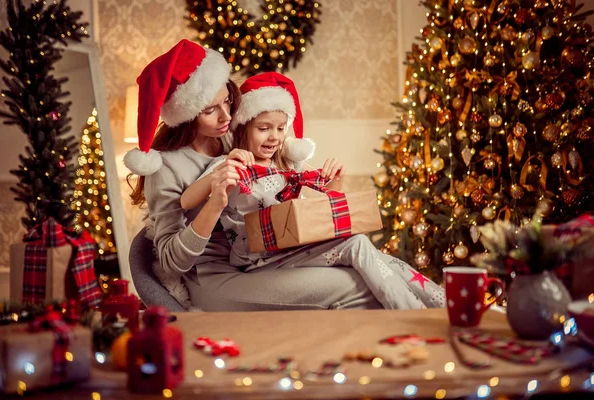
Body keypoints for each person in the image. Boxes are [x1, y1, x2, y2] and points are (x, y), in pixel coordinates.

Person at [124, 39, 384, 311]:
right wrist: (214, 204)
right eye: (210, 110)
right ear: (187, 113)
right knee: (355, 286)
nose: (226, 115)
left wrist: (329, 188)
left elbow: (282, 201)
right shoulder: (165, 167)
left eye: (227, 100)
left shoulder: (234, 137)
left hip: (263, 262)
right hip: (213, 279)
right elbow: (169, 262)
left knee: (365, 272)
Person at [180, 72, 446, 309]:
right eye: (263, 129)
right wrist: (220, 176)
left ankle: (439, 303)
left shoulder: (285, 164)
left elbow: (326, 202)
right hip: (256, 259)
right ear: (244, 127)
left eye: (281, 129)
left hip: (289, 249)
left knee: (376, 255)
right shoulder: (232, 163)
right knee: (357, 246)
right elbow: (186, 200)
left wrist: (334, 180)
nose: (274, 137)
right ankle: (415, 314)